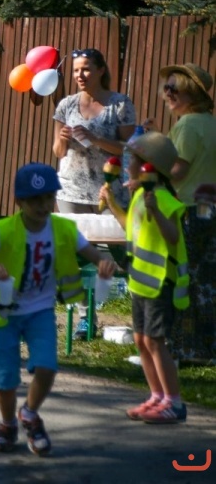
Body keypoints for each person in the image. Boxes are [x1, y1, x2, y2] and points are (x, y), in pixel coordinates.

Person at [0, 163, 117, 455]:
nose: (43, 205)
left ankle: (30, 414)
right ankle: (8, 424)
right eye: (35, 199)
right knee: (5, 379)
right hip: (5, 314)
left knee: (47, 367)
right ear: (19, 202)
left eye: (49, 197)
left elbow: (93, 254)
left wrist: (104, 264)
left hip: (40, 312)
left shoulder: (64, 229)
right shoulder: (4, 230)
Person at [100, 131, 189, 423]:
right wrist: (112, 204)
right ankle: (156, 396)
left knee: (155, 341)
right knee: (141, 340)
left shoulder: (164, 199)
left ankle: (174, 403)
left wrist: (156, 212)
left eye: (133, 161)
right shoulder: (139, 195)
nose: (128, 167)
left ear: (149, 167)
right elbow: (131, 226)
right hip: (141, 281)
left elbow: (172, 237)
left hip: (161, 281)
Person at [52, 48, 136, 338]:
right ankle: (86, 319)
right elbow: (57, 151)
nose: (80, 75)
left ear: (101, 70)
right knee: (77, 256)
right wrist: (63, 138)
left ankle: (145, 317)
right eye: (76, 70)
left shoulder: (120, 104)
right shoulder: (66, 104)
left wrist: (96, 138)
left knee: (127, 253)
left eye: (86, 69)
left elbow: (130, 148)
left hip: (110, 192)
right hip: (71, 190)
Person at [156, 64, 216, 364]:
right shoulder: (210, 123)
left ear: (191, 93)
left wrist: (150, 162)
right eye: (165, 87)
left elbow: (178, 171)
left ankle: (186, 349)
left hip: (189, 209)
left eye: (173, 88)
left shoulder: (187, 125)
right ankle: (208, 348)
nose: (167, 93)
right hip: (211, 209)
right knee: (207, 281)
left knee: (184, 279)